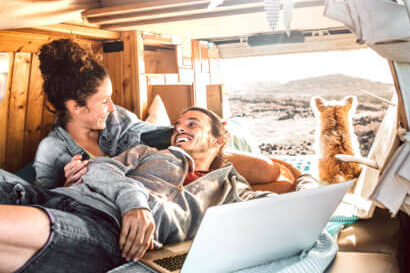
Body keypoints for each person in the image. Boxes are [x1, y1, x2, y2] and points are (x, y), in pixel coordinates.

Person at [0, 107, 282, 273]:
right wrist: (134, 202)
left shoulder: (231, 189)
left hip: (102, 228)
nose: (180, 128)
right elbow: (99, 167)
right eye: (177, 124)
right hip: (56, 196)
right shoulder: (148, 152)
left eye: (192, 124)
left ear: (218, 139)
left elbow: (281, 204)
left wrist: (313, 184)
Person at [33, 39, 294, 189]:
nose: (112, 107)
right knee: (280, 185)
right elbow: (47, 207)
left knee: (274, 174)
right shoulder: (52, 151)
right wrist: (68, 187)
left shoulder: (117, 120)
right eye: (104, 101)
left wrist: (198, 133)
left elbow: (155, 134)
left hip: (173, 160)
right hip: (151, 194)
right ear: (75, 107)